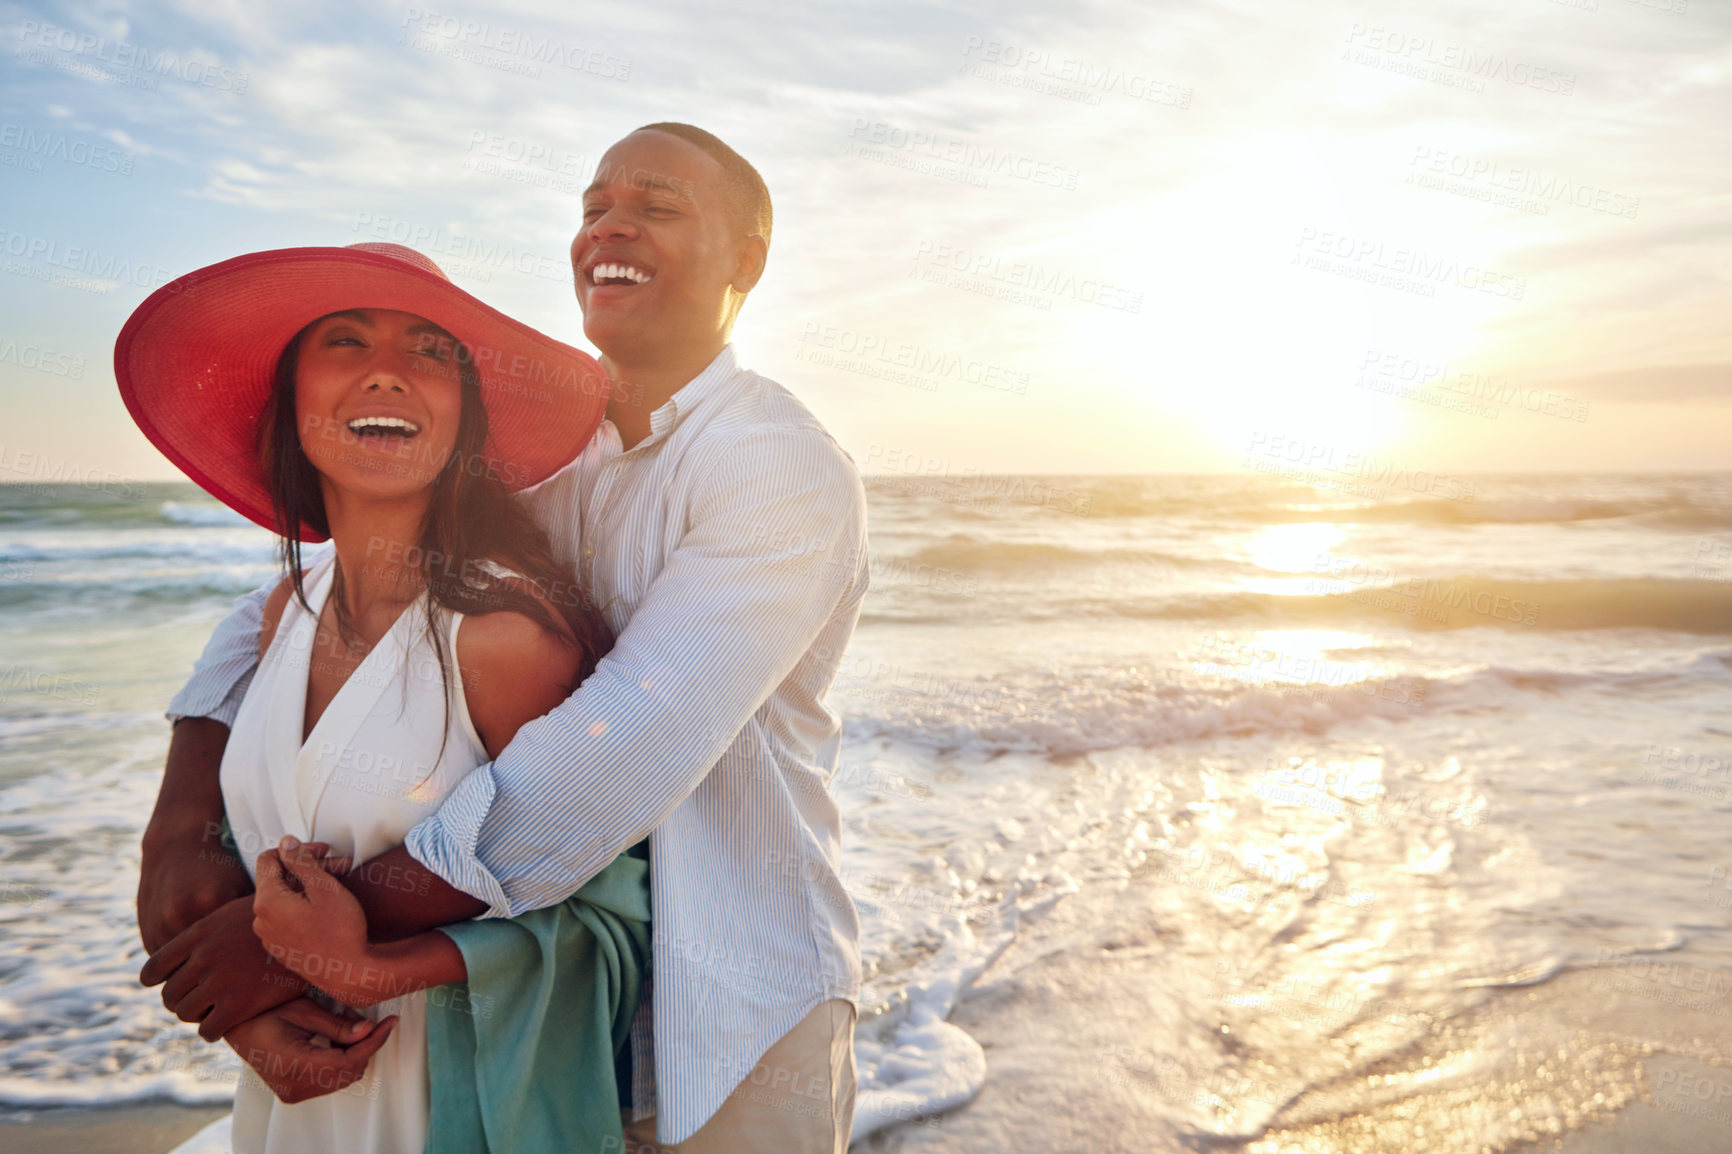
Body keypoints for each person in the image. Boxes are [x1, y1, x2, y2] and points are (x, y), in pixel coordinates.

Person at [137, 123, 871, 1152]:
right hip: (535, 1007)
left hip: (728, 1004)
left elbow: (617, 746)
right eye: (592, 207)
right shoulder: (549, 471)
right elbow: (322, 589)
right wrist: (177, 824)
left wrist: (300, 933)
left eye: (655, 206)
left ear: (746, 260)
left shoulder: (773, 464)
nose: (609, 226)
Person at [116, 242, 650, 1153]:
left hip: (448, 1104)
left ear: (463, 416)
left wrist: (366, 967)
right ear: (290, 398)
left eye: (431, 353)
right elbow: (195, 870)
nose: (389, 377)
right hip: (293, 1106)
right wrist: (250, 1016)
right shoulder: (282, 611)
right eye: (346, 343)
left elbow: (612, 918)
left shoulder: (503, 638)